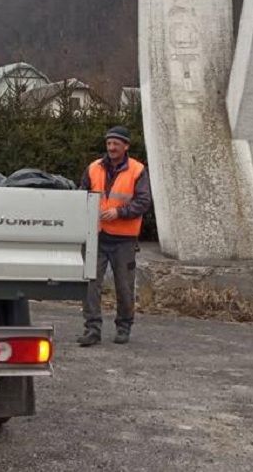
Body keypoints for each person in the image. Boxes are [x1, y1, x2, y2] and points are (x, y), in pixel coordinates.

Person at [76, 126, 153, 346]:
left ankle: (124, 327)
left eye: (116, 144)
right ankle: (92, 329)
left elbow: (143, 202)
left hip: (124, 239)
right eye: (109, 143)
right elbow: (82, 194)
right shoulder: (93, 168)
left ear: (126, 146)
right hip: (97, 236)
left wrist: (119, 212)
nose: (111, 147)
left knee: (124, 286)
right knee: (91, 284)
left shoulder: (137, 170)